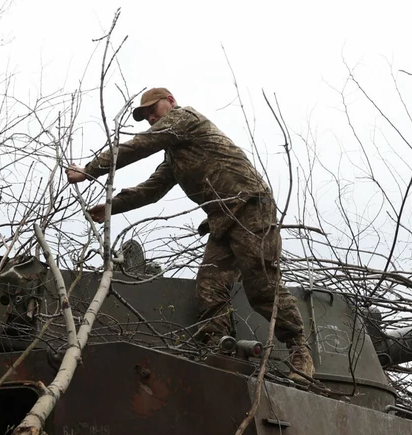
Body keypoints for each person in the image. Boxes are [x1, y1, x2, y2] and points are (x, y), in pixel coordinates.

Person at [66, 87, 315, 383]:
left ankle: (300, 351)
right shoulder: (176, 156)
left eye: (152, 110)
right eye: (145, 117)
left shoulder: (185, 119)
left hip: (250, 208)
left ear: (170, 101)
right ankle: (218, 351)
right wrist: (111, 207)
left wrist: (91, 170)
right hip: (222, 220)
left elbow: (140, 145)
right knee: (209, 289)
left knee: (262, 288)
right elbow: (152, 190)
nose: (150, 119)